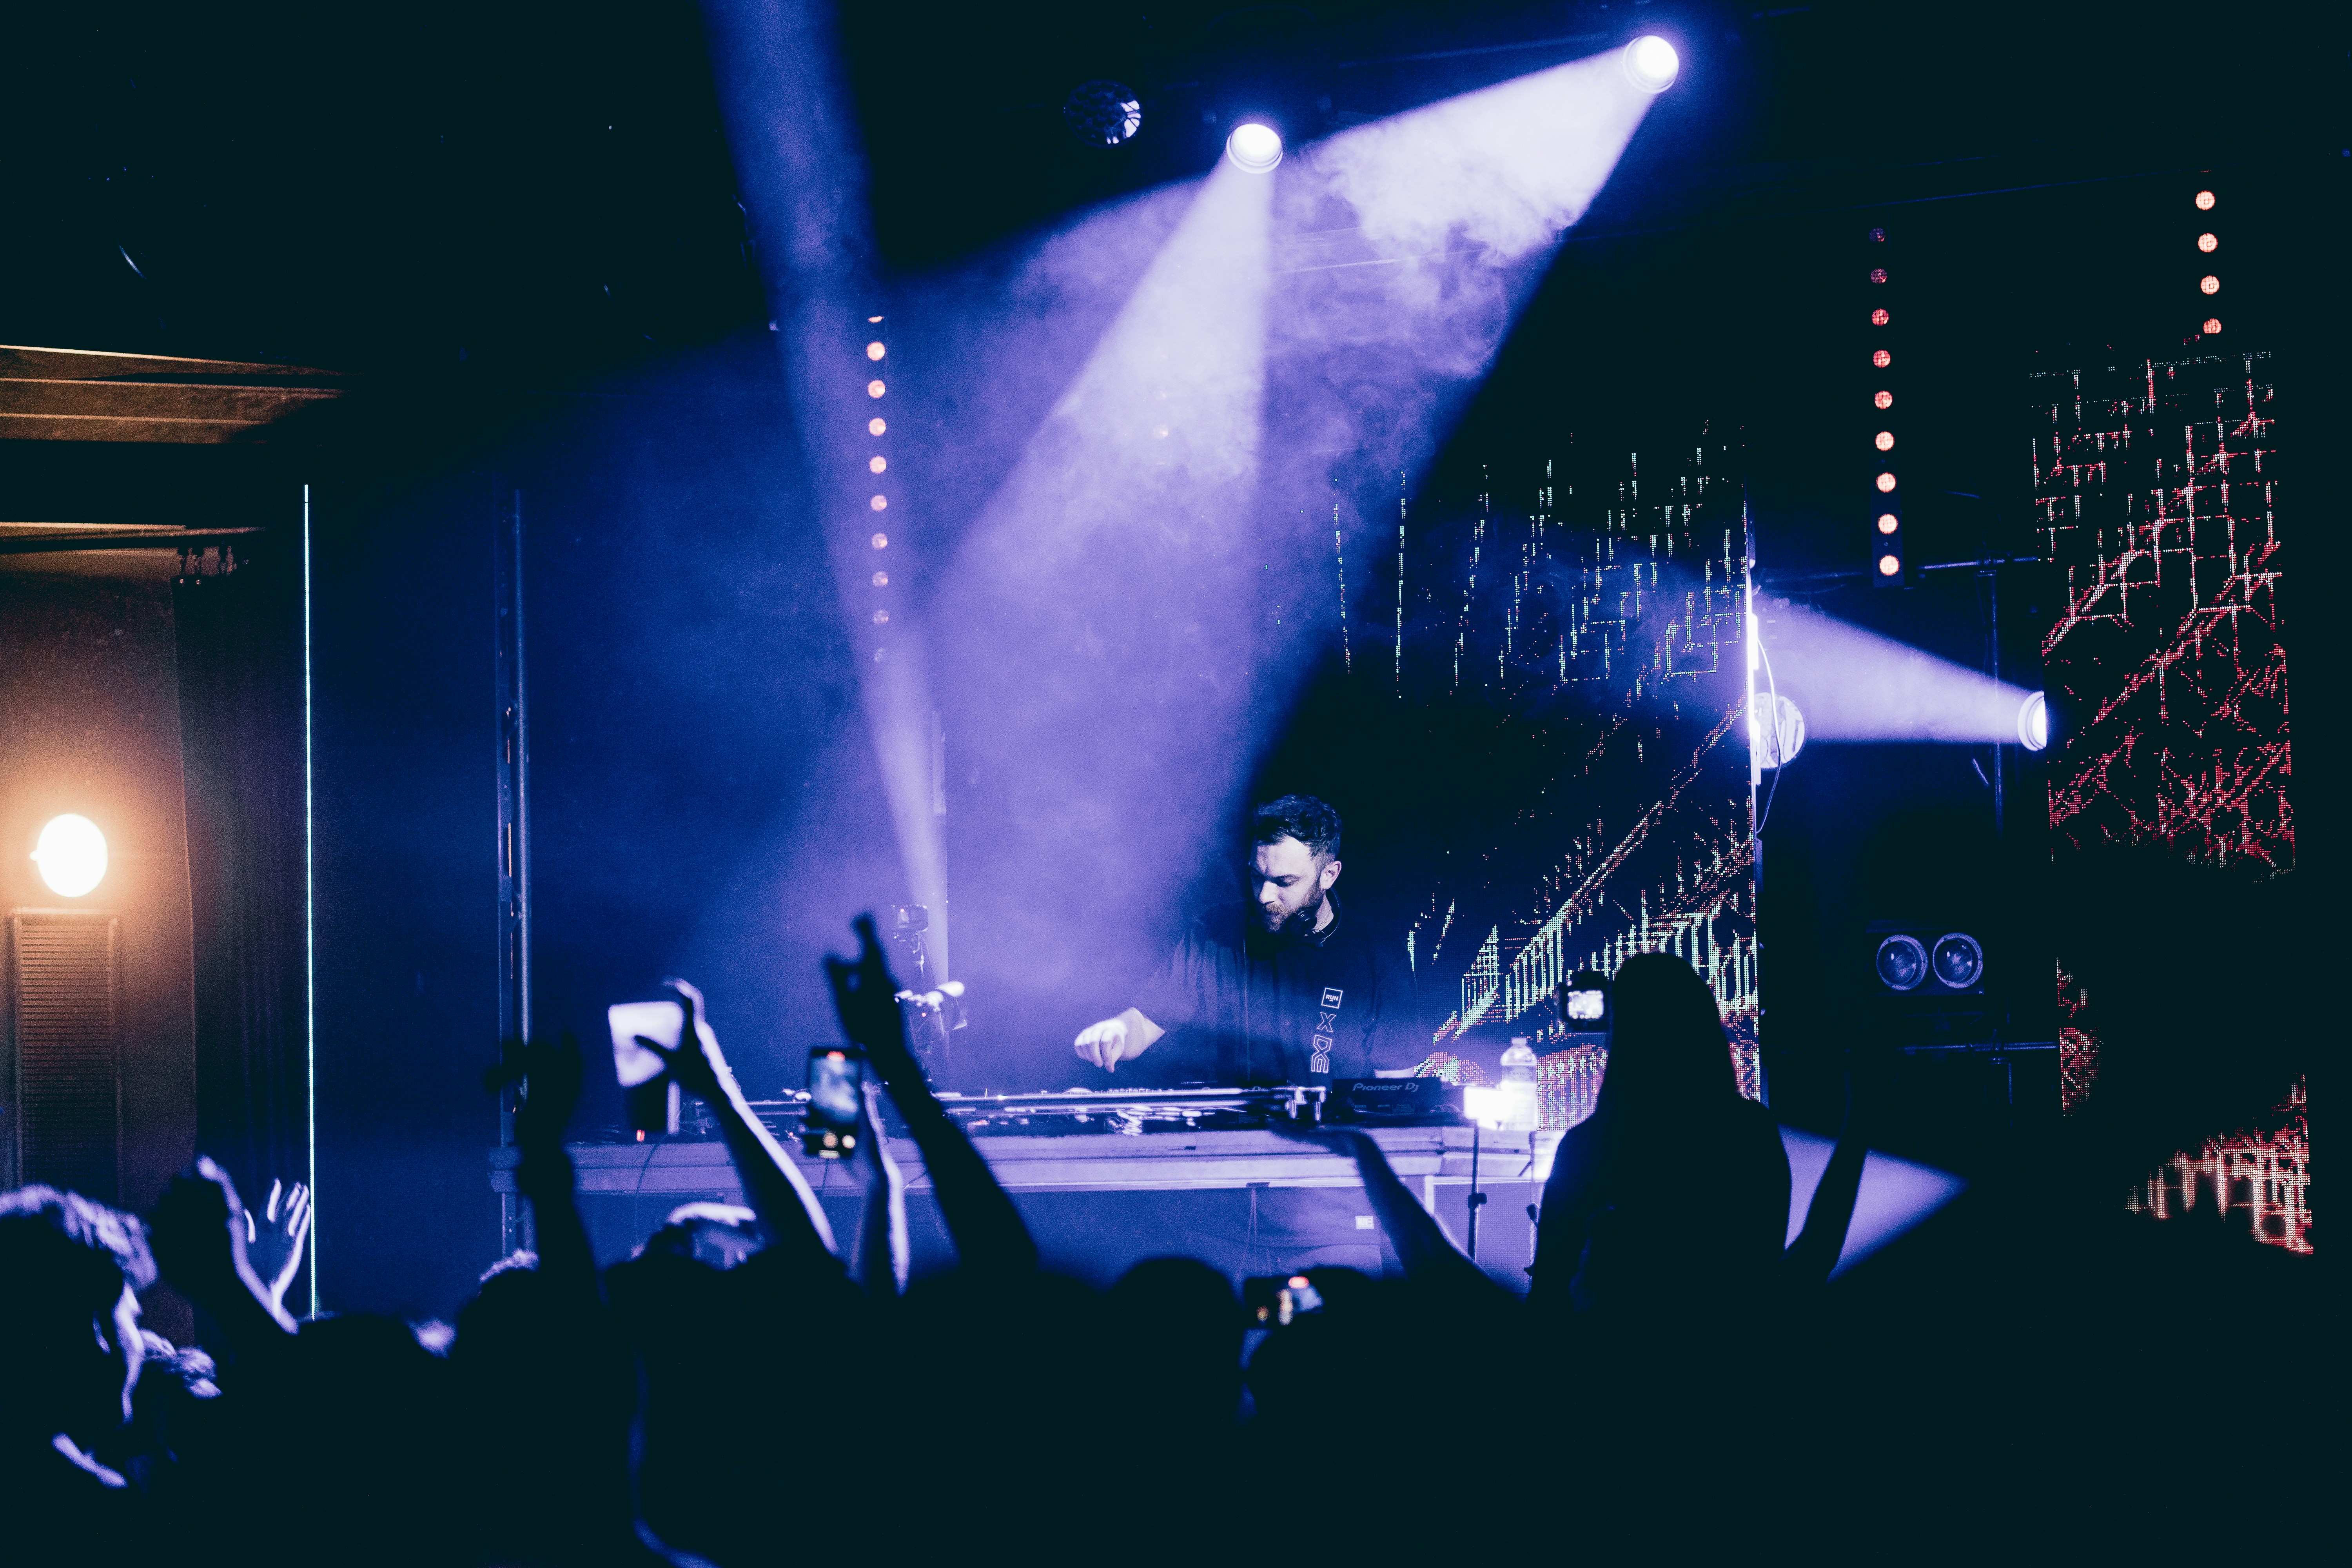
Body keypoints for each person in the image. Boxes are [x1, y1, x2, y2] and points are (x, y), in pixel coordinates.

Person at [1073, 794, 1421, 1085]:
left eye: (1285, 882)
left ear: (1329, 874)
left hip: (1332, 1151)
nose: (1264, 895)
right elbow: (1147, 1021)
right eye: (1257, 877)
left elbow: (1396, 1084)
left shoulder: (1378, 953)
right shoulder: (1215, 932)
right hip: (1230, 1147)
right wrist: (1117, 1029)